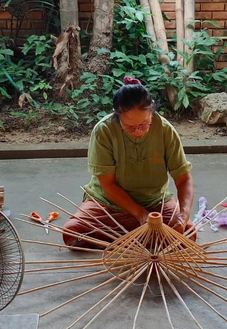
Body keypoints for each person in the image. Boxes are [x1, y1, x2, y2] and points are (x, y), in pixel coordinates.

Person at [63, 77, 195, 248]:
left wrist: (182, 216)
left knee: (188, 235)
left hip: (154, 202)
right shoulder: (104, 131)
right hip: (109, 203)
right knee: (73, 232)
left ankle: (123, 239)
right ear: (117, 115)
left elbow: (184, 179)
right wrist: (140, 215)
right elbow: (108, 185)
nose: (138, 131)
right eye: (130, 127)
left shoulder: (165, 130)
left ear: (152, 109)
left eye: (144, 124)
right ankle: (143, 240)